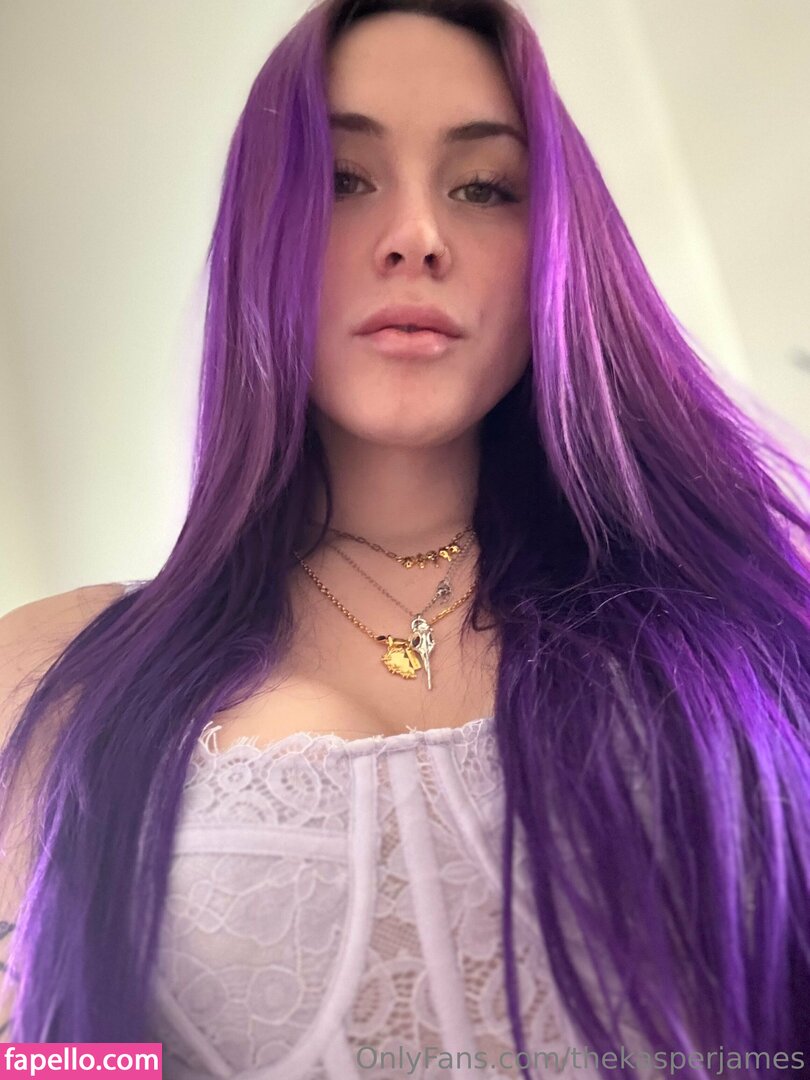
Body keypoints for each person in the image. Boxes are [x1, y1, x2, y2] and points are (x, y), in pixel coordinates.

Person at [2, 0, 809, 1076]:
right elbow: (55, 1054)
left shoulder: (739, 628)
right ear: (259, 234)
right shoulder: (57, 677)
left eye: (483, 187)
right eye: (344, 179)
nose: (418, 235)